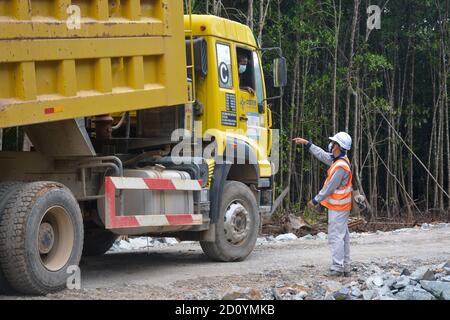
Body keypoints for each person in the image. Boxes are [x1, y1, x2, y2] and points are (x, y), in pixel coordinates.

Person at [293, 132, 353, 277]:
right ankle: (345, 266)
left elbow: (329, 187)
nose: (331, 145)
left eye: (334, 143)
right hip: (340, 206)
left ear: (339, 147)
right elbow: (322, 154)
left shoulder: (340, 166)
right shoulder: (338, 159)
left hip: (339, 207)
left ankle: (338, 267)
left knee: (336, 236)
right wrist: (307, 143)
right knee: (343, 235)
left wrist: (315, 200)